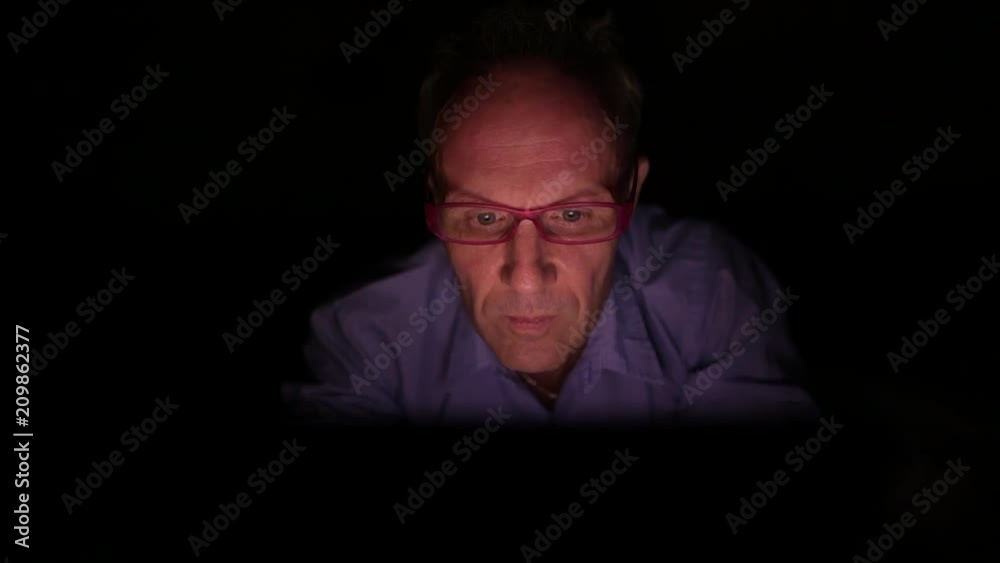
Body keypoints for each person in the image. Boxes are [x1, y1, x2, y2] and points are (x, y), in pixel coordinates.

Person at [281, 3, 817, 426]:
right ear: (436, 199)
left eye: (574, 214)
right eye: (483, 218)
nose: (527, 275)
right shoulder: (363, 340)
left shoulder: (714, 296)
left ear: (631, 193)